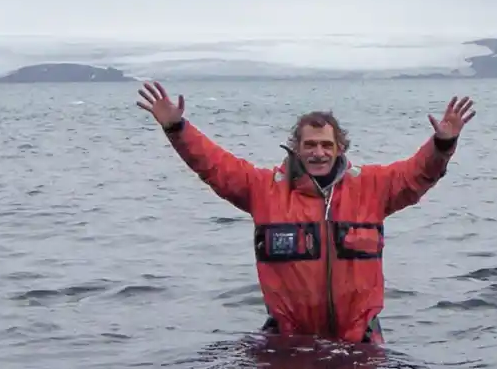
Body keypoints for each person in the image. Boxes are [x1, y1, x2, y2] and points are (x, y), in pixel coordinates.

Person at [136, 81, 474, 344]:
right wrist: (177, 129)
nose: (318, 152)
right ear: (296, 148)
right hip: (288, 344)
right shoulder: (263, 189)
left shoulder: (374, 187)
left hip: (359, 344)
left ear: (340, 148)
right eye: (310, 145)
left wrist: (442, 144)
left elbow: (418, 173)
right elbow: (213, 165)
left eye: (327, 145)